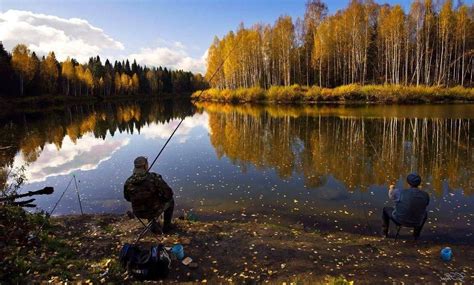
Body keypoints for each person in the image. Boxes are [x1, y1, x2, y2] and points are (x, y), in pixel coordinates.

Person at [124, 156, 175, 233]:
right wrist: (160, 197)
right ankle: (167, 227)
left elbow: (127, 198)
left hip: (138, 212)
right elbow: (169, 194)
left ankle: (154, 226)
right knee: (171, 201)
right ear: (145, 166)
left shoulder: (128, 182)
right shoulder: (154, 178)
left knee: (147, 203)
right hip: (153, 211)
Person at [382, 173, 429, 239]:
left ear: (408, 182)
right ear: (419, 183)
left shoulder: (400, 192)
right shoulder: (425, 195)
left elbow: (391, 196)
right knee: (425, 214)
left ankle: (384, 234)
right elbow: (425, 204)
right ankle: (416, 235)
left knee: (385, 210)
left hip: (399, 220)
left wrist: (391, 188)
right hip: (417, 222)